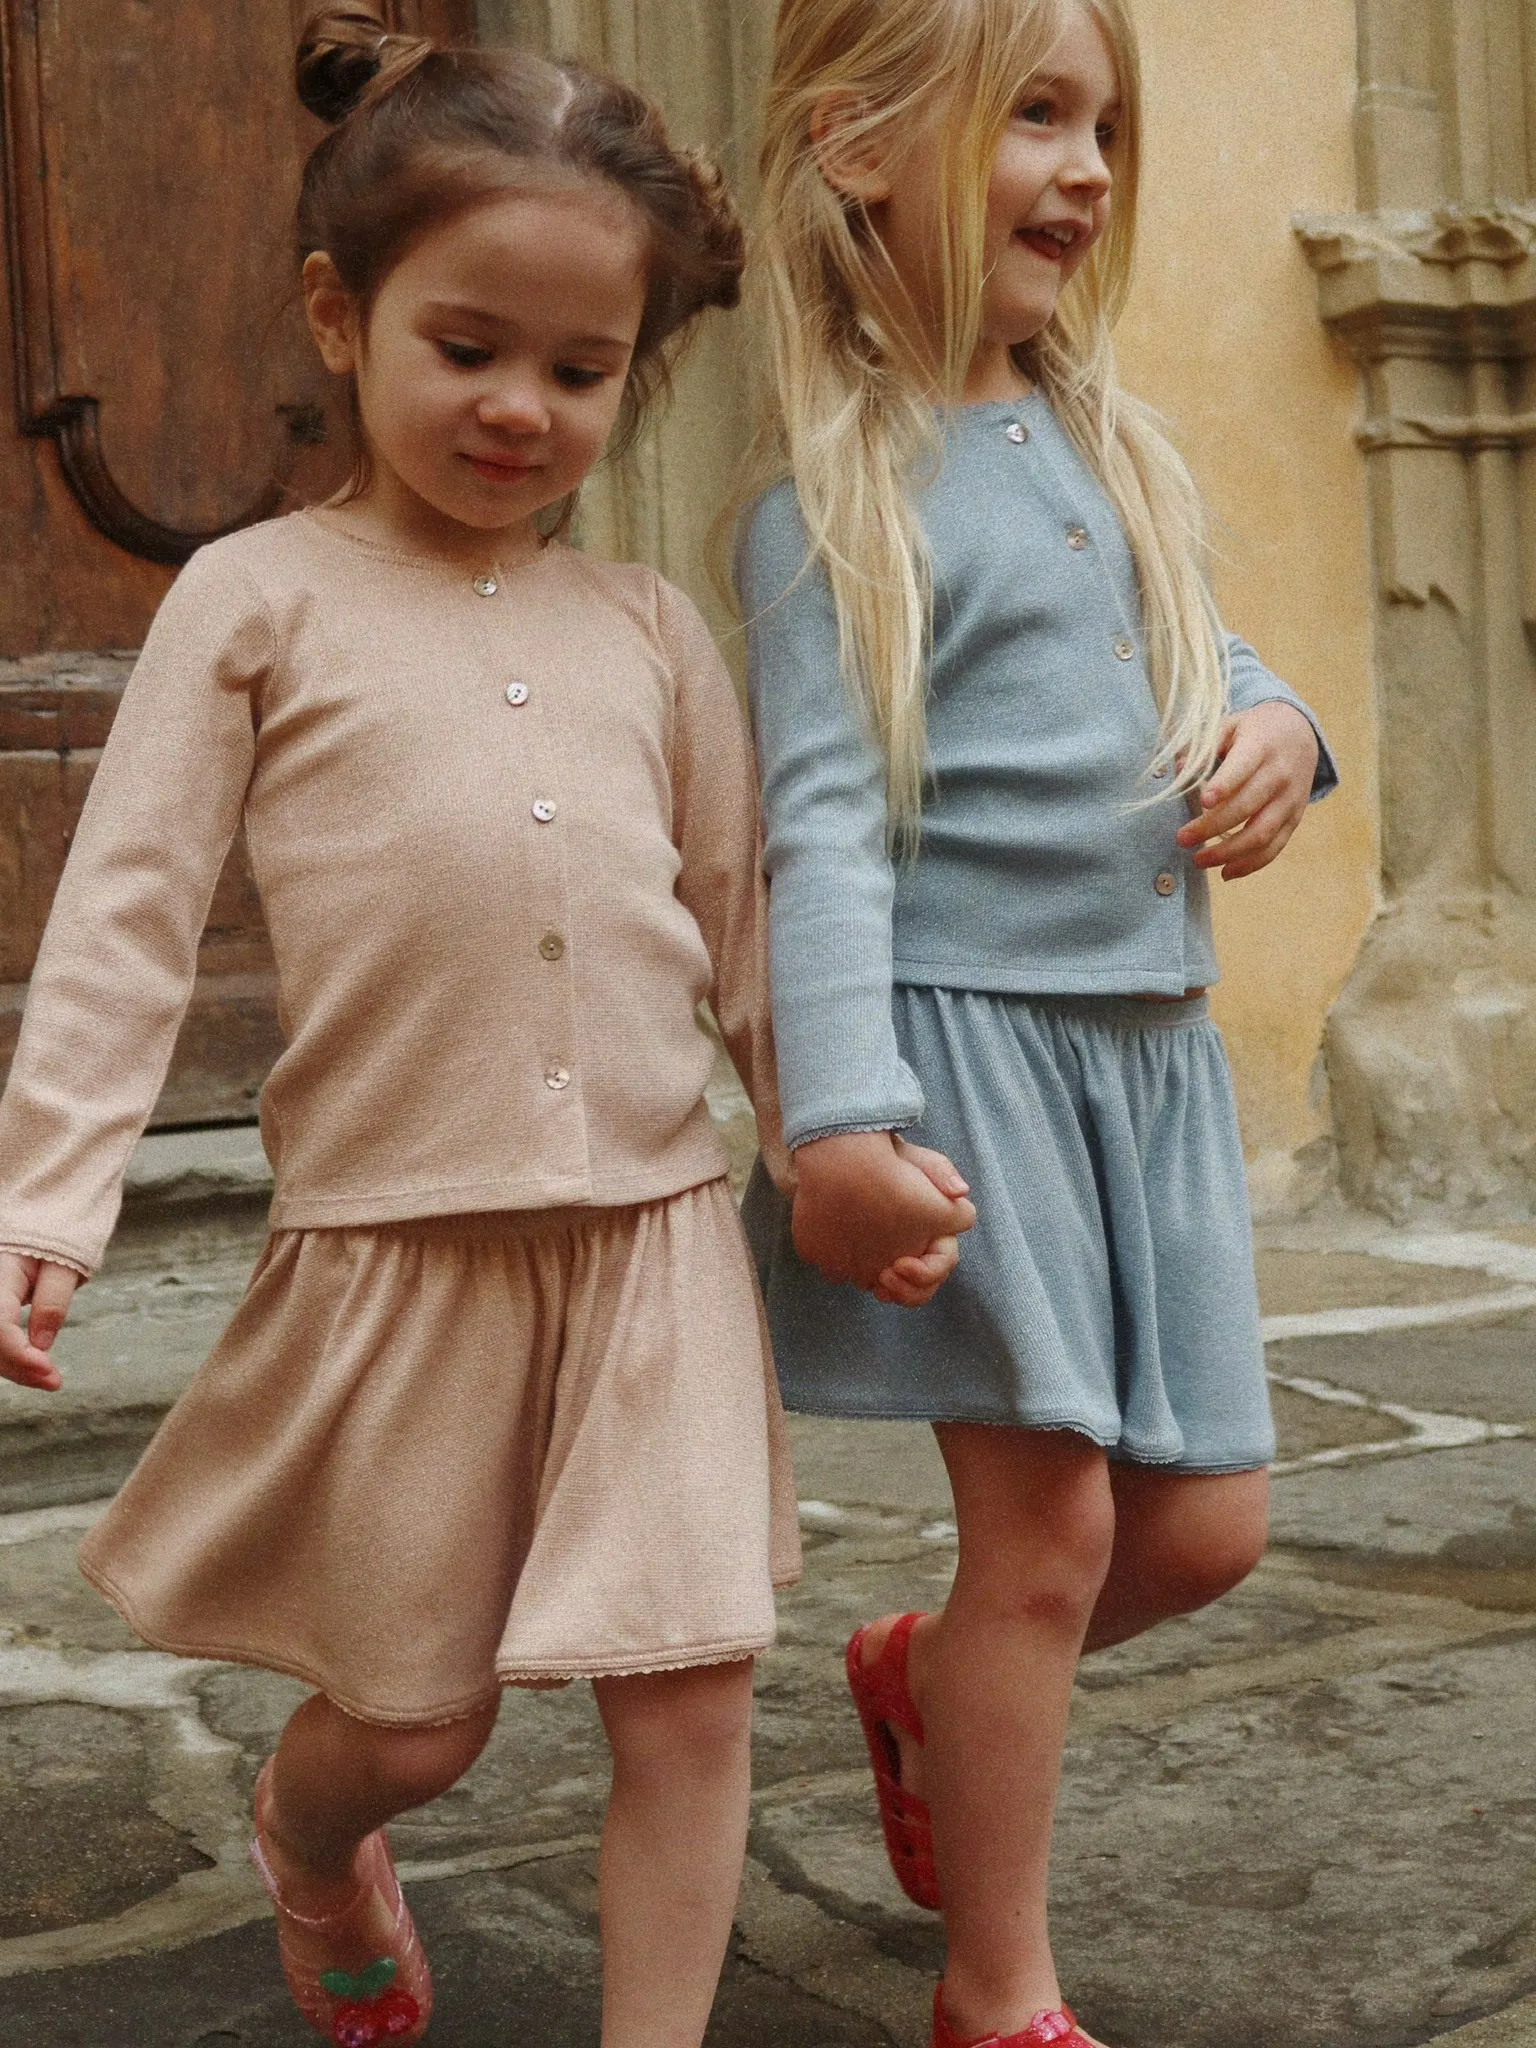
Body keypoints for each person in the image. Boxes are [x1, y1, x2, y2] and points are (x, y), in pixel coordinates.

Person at [0, 15, 807, 2046]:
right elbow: (126, 911)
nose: (522, 407)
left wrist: (835, 1140)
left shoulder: (650, 628)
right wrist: (49, 1193)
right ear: (337, 317)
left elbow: (744, 923)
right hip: (401, 1242)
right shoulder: (255, 598)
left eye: (581, 370)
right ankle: (306, 1830)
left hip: (654, 1236)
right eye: (469, 347)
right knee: (416, 1726)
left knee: (692, 1691)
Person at [736, 1, 1339, 2044]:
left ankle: (921, 1677)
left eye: (1103, 125)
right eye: (1033, 116)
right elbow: (821, 834)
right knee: (1052, 1530)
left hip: (1152, 1058)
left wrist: (1284, 724)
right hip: (972, 1063)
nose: (1085, 165)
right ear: (858, 148)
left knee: (1210, 1528)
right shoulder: (831, 499)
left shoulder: (1114, 441)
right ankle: (1000, 1988)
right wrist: (841, 1118)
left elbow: (1204, 649)